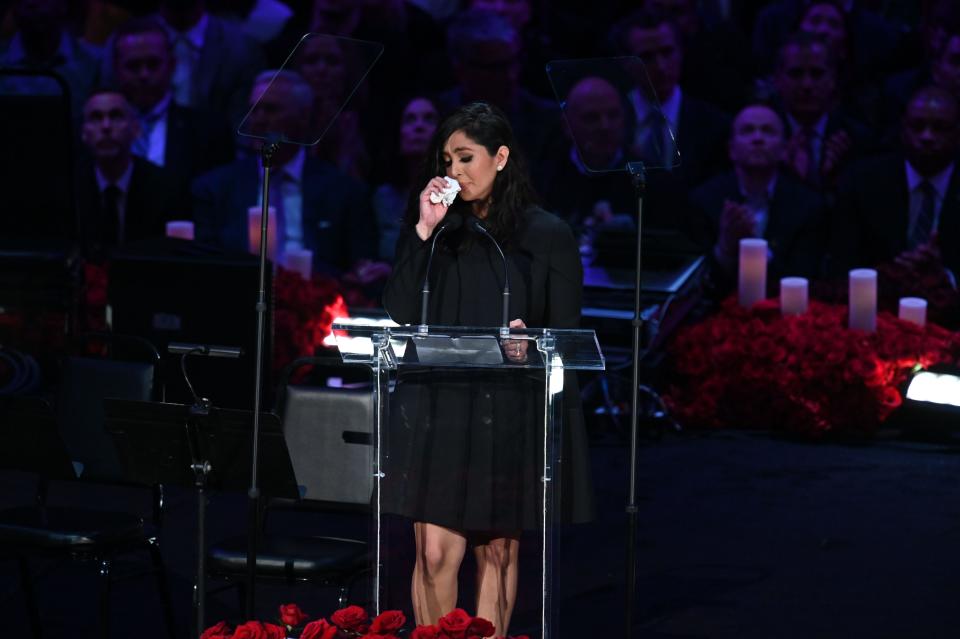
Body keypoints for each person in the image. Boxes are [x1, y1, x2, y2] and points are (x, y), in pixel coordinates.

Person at [381, 102, 593, 636]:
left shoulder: (545, 235)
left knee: (495, 555)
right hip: (440, 409)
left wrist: (534, 344)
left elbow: (566, 337)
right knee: (432, 556)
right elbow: (400, 311)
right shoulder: (436, 231)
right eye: (447, 158)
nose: (453, 171)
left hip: (508, 415)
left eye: (466, 157)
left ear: (500, 157)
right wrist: (423, 230)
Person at [192, 70, 378, 274]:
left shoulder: (345, 192)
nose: (259, 120)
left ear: (303, 116)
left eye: (271, 110)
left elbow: (359, 269)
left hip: (317, 297)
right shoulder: (215, 189)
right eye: (254, 109)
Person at [685, 103, 826, 298]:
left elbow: (803, 278)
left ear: (784, 149)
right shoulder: (703, 201)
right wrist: (725, 249)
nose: (758, 138)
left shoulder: (808, 205)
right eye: (747, 130)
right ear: (731, 149)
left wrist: (757, 247)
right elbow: (695, 285)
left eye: (768, 131)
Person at [829, 86, 960, 281]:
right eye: (917, 126)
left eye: (939, 128)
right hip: (878, 303)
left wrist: (945, 277)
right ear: (902, 129)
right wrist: (890, 273)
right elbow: (841, 263)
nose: (927, 137)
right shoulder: (864, 181)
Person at [111, 17, 234, 209]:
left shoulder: (208, 131)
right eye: (133, 66)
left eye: (153, 64)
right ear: (116, 69)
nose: (144, 75)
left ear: (172, 65)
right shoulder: (95, 129)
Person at [77, 89, 184, 256]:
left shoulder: (165, 188)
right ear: (84, 133)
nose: (106, 126)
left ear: (136, 129)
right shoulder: (69, 187)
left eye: (116, 116)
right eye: (96, 117)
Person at [372, 95, 441, 260]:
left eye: (428, 119)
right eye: (410, 120)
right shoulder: (382, 198)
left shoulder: (462, 198)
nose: (419, 126)